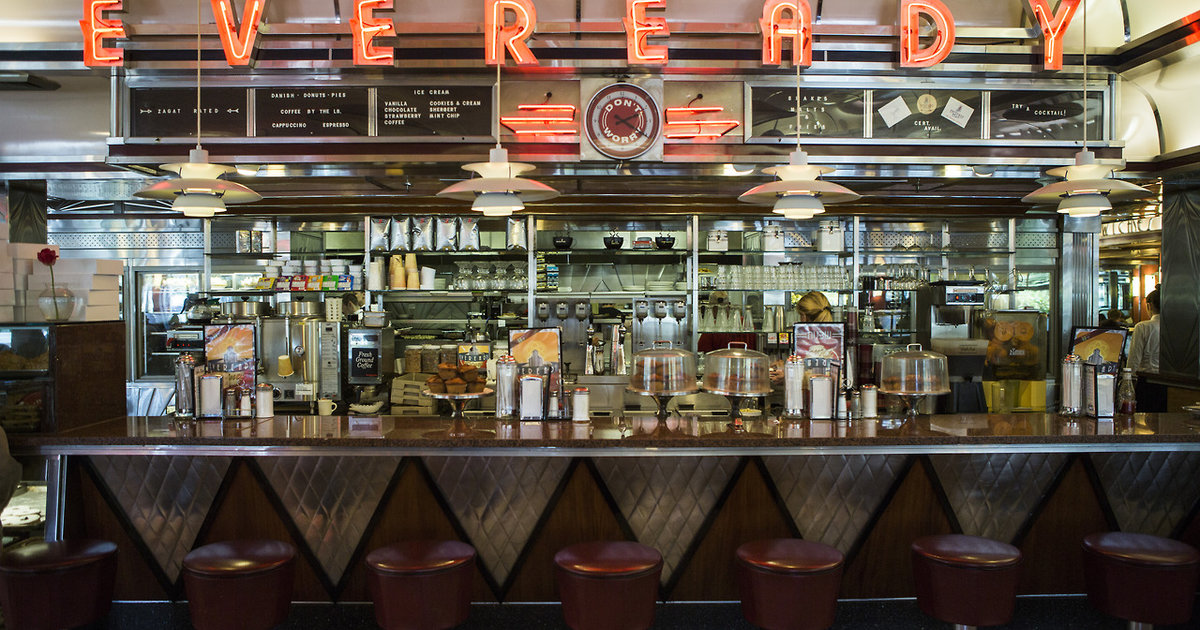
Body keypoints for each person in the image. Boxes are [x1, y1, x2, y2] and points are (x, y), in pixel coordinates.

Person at [1127, 289, 1166, 412]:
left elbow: (1134, 359)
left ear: (1149, 305)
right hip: (1170, 383)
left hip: (1147, 382)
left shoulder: (1143, 327)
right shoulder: (1175, 327)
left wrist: (1128, 382)